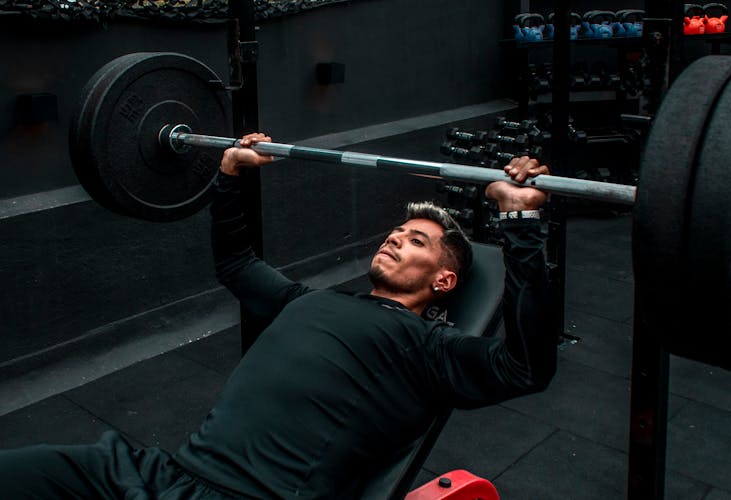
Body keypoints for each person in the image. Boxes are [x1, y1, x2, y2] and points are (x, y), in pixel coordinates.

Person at [0, 133, 557, 499]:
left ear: (443, 281)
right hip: (152, 474)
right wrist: (229, 173)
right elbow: (236, 263)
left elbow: (524, 368)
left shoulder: (429, 349)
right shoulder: (306, 301)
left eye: (415, 241)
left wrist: (521, 227)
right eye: (395, 231)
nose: (394, 238)